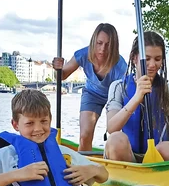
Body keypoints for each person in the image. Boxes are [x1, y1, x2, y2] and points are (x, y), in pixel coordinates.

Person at [0, 89, 108, 186]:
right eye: (29, 123)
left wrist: (92, 170)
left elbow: (104, 175)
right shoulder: (6, 156)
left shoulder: (63, 153)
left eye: (44, 121)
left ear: (50, 120)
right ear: (15, 125)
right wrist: (16, 175)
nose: (38, 129)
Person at [104, 31, 169, 162]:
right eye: (147, 59)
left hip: (156, 158)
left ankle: (156, 177)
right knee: (116, 140)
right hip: (126, 156)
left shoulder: (168, 92)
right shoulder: (118, 87)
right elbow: (112, 128)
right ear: (134, 58)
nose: (152, 65)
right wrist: (136, 98)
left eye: (157, 59)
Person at [52, 23, 127, 151]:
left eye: (107, 45)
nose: (102, 49)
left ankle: (118, 156)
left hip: (114, 96)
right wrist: (57, 69)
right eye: (99, 43)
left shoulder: (120, 66)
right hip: (92, 94)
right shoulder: (82, 55)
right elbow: (62, 76)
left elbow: (124, 93)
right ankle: (84, 164)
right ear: (93, 42)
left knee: (116, 133)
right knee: (84, 135)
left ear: (114, 46)